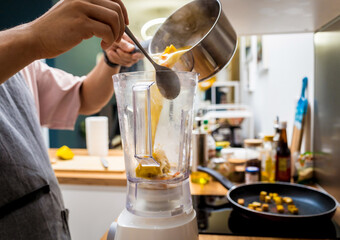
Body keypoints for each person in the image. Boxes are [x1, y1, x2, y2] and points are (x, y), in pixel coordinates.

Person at [0, 0, 143, 239]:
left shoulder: (22, 65)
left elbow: (84, 97)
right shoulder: (23, 45)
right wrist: (35, 36)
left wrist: (111, 62)